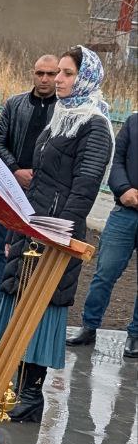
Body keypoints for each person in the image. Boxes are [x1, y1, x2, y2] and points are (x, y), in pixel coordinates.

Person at [0, 46, 115, 421]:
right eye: (57, 72)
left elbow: (83, 191)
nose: (58, 79)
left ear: (86, 77)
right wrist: (19, 230)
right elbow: (42, 179)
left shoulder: (93, 124)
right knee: (20, 305)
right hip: (33, 228)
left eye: (67, 73)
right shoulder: (63, 116)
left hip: (55, 236)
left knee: (43, 311)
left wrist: (55, 239)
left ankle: (30, 396)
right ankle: (13, 388)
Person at [0, 56, 59, 322]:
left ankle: (22, 308)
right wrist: (15, 169)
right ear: (33, 74)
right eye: (40, 73)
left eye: (51, 73)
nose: (45, 79)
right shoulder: (15, 104)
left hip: (44, 190)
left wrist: (38, 176)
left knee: (34, 248)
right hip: (10, 186)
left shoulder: (63, 111)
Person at [67, 112, 138, 359]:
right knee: (105, 272)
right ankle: (89, 326)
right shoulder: (133, 121)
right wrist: (124, 189)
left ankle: (136, 335)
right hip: (125, 212)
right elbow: (116, 161)